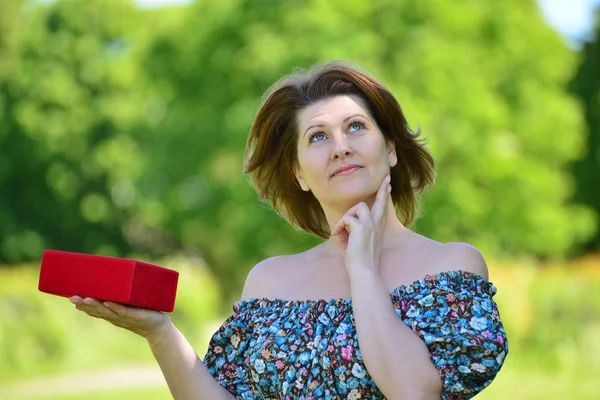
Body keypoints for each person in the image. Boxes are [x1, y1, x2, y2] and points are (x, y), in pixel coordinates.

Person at [69, 61, 509, 399]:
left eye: (356, 127)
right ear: (299, 173)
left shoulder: (452, 267)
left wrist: (363, 270)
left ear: (391, 149)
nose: (341, 147)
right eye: (318, 136)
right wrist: (160, 333)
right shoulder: (269, 280)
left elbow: (413, 392)